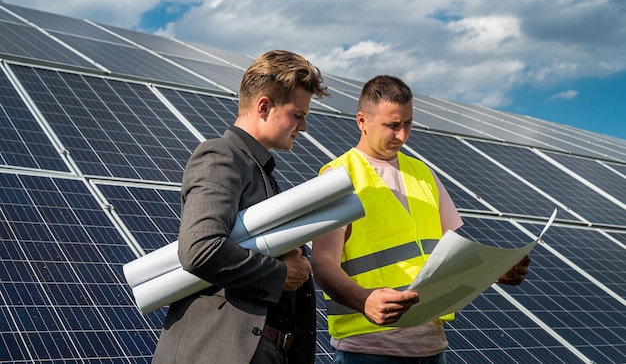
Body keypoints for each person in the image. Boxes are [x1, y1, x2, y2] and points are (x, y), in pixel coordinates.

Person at [311, 75, 530, 363]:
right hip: (368, 350)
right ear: (362, 121)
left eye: (408, 124)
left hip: (431, 347)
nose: (402, 135)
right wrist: (364, 299)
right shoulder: (338, 177)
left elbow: (451, 256)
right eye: (392, 126)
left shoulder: (423, 174)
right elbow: (323, 263)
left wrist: (494, 271)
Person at [153, 50, 329, 364]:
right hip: (224, 352)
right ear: (264, 106)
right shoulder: (221, 156)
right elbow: (200, 249)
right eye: (297, 115)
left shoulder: (261, 172)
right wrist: (280, 273)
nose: (304, 127)